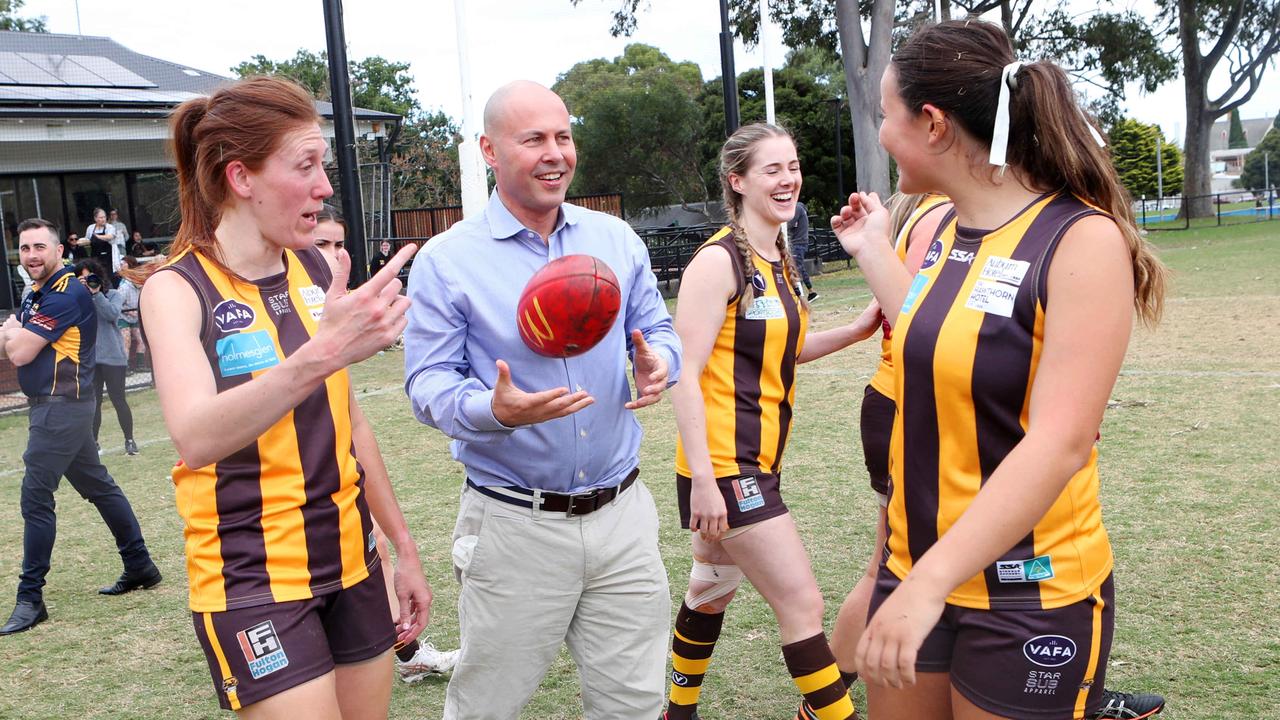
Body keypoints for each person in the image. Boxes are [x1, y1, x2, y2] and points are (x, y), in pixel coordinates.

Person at [830, 20, 1167, 720]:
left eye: (884, 116)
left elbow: (1060, 442)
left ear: (932, 124)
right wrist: (870, 249)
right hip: (914, 570)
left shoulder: (1079, 239)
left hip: (1026, 592)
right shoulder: (946, 227)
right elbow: (936, 337)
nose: (881, 135)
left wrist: (930, 584)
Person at [136, 75, 429, 716]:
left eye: (323, 164)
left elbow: (350, 422)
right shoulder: (176, 288)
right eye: (306, 166)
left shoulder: (319, 269)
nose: (324, 187)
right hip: (252, 581)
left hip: (352, 560)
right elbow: (197, 435)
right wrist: (322, 353)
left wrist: (401, 550)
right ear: (242, 178)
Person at [404, 80, 680, 720]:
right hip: (513, 523)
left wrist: (658, 363)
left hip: (622, 514)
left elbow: (658, 328)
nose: (555, 153)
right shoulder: (448, 261)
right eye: (533, 139)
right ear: (489, 151)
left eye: (563, 136)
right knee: (486, 707)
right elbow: (428, 384)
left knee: (635, 704)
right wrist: (494, 411)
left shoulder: (615, 241)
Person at [662, 123, 880, 720]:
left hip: (757, 461)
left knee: (708, 594)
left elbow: (779, 350)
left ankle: (676, 713)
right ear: (738, 181)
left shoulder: (778, 255)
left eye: (793, 167)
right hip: (726, 468)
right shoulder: (717, 261)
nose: (788, 180)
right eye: (771, 170)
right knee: (802, 605)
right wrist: (704, 479)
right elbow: (683, 372)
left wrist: (857, 330)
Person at [312, 205, 460, 684]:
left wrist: (404, 542)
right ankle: (404, 651)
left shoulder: (329, 312)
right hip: (282, 520)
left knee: (376, 542)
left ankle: (406, 650)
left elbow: (352, 423)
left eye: (339, 245)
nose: (334, 256)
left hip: (335, 483)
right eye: (321, 245)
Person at [0, 218, 161, 637]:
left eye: (40, 247)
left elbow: (16, 353)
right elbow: (16, 339)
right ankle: (140, 565)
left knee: (35, 498)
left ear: (58, 251)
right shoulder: (37, 293)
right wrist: (15, 333)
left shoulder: (66, 293)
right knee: (100, 486)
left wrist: (13, 332)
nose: (32, 255)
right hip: (57, 409)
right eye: (26, 248)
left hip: (61, 410)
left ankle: (30, 598)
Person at [72, 258, 137, 455]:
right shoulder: (76, 299)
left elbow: (111, 314)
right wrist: (82, 294)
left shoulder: (113, 295)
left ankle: (130, 440)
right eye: (81, 279)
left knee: (119, 399)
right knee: (94, 403)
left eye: (89, 277)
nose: (86, 281)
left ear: (98, 277)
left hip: (113, 357)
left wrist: (96, 293)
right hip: (90, 358)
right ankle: (94, 443)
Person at [116, 257, 147, 372]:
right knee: (126, 340)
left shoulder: (141, 287)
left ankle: (140, 365)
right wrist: (130, 311)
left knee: (141, 339)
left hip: (135, 316)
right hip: (123, 316)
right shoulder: (124, 287)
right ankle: (126, 367)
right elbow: (118, 304)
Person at [787, 200, 817, 301]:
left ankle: (799, 297)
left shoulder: (797, 208)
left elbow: (789, 224)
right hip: (799, 242)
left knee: (797, 269)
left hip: (797, 243)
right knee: (800, 267)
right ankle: (811, 292)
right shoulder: (800, 208)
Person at [84, 208, 119, 281]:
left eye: (104, 217)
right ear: (95, 218)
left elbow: (110, 236)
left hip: (109, 258)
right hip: (95, 258)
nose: (103, 219)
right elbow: (87, 240)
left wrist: (96, 237)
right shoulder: (90, 228)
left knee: (109, 278)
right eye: (101, 217)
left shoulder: (110, 227)